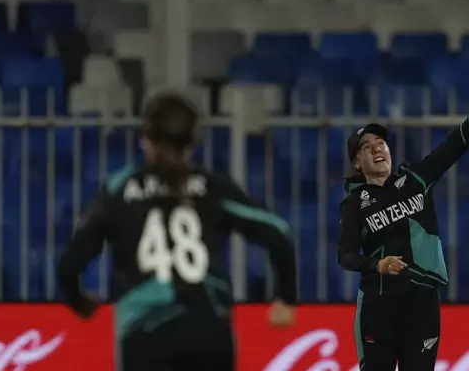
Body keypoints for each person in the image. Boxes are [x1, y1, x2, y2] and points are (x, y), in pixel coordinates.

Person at [57, 92, 297, 371]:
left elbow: (69, 264)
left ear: (146, 137)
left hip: (144, 334)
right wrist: (286, 298)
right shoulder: (210, 187)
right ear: (192, 142)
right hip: (208, 331)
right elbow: (278, 231)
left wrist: (78, 300)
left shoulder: (119, 190)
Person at [337, 66, 469, 370]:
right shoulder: (354, 203)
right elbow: (344, 256)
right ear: (357, 162)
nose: (377, 149)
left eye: (380, 143)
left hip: (422, 301)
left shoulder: (416, 180)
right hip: (377, 305)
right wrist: (377, 264)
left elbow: (454, 146)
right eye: (366, 148)